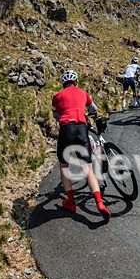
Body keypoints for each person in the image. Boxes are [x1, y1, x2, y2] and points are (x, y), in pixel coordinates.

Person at [51, 69, 111, 219]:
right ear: (75, 82)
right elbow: (93, 109)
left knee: (64, 165)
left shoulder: (56, 96)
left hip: (66, 129)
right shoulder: (82, 92)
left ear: (63, 83)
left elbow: (55, 114)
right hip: (81, 128)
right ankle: (99, 203)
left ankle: (71, 203)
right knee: (88, 169)